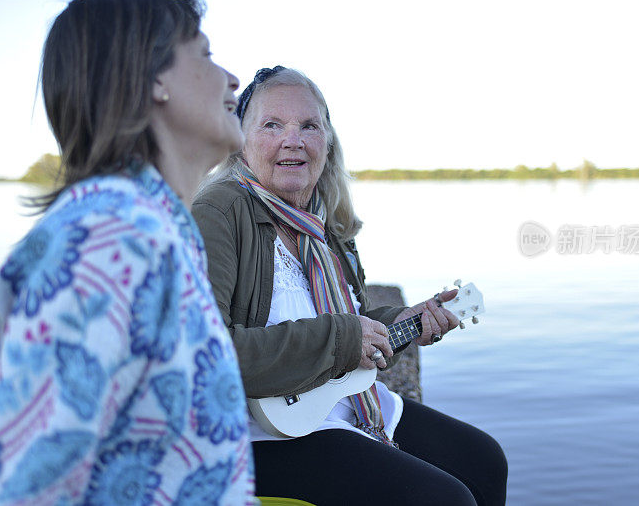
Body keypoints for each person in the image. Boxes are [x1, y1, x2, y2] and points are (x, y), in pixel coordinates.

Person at [0, 0, 254, 505]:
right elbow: (26, 488)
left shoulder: (151, 229)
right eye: (203, 54)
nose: (232, 78)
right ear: (152, 78)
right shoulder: (113, 238)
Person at [192, 66, 508, 505]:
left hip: (340, 399)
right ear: (242, 142)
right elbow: (206, 354)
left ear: (327, 141)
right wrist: (342, 340)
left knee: (484, 459)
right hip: (256, 432)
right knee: (442, 499)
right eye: (272, 125)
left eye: (309, 125)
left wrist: (402, 321)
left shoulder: (326, 222)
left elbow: (353, 325)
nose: (293, 140)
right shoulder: (219, 211)